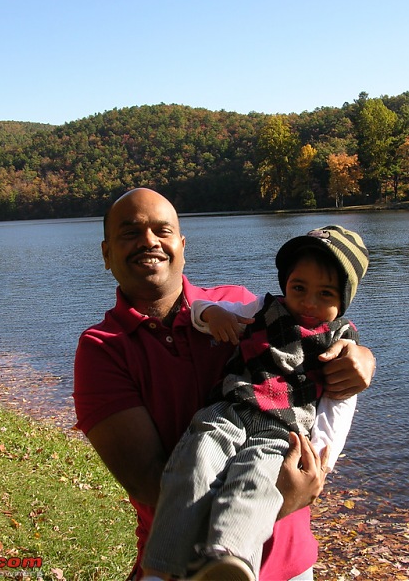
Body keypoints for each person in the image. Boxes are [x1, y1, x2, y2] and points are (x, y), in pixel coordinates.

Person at [73, 188, 376, 580]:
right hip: (179, 569)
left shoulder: (240, 306)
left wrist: (361, 356)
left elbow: (310, 343)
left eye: (162, 230)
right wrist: (282, 501)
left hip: (288, 566)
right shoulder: (102, 349)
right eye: (129, 232)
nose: (149, 241)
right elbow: (151, 483)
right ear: (106, 252)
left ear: (182, 244)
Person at [141, 225, 369, 581]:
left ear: (343, 300)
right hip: (227, 411)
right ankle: (161, 565)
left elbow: (338, 407)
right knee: (194, 464)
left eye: (325, 293)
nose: (309, 302)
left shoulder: (338, 345)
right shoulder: (263, 308)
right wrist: (213, 316)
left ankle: (229, 558)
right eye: (299, 288)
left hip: (280, 432)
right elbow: (201, 309)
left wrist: (320, 460)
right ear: (285, 284)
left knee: (254, 484)